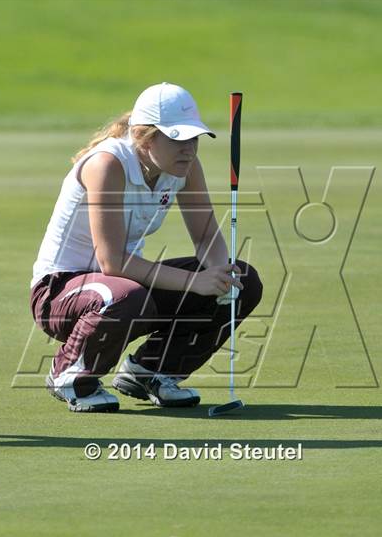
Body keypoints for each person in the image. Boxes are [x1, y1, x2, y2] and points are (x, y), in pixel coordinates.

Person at [30, 82, 263, 413]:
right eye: (177, 138)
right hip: (59, 291)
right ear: (145, 137)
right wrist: (197, 282)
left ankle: (151, 371)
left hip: (122, 286)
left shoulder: (184, 167)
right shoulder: (108, 163)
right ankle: (71, 374)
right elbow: (111, 262)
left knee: (243, 280)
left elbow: (205, 235)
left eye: (193, 138)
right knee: (125, 296)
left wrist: (220, 277)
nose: (189, 148)